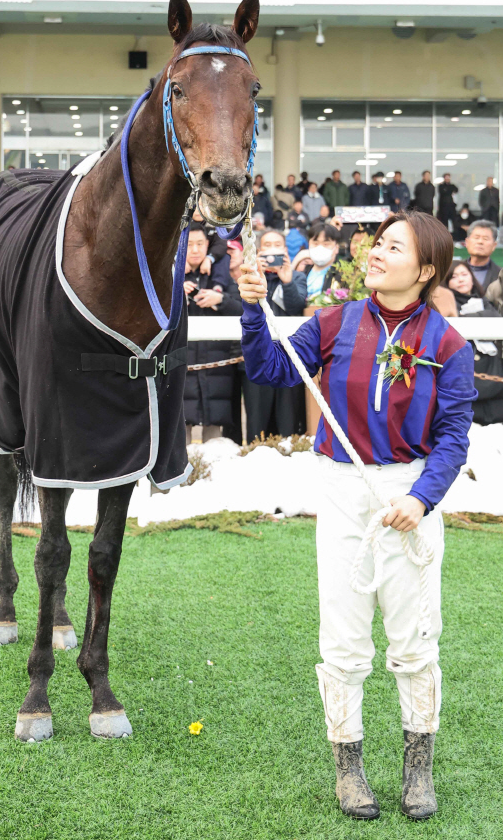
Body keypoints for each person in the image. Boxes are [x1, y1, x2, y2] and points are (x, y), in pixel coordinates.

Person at [238, 211, 474, 821]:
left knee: (415, 641)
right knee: (343, 642)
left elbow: (453, 437)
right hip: (342, 491)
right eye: (378, 241)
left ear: (424, 270)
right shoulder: (336, 321)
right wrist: (251, 308)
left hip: (409, 498)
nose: (375, 253)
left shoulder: (447, 344)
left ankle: (417, 769)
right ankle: (349, 770)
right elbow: (271, 369)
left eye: (394, 247)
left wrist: (420, 499)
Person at [243, 229, 308, 441]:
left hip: (288, 357)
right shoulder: (249, 277)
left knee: (288, 417)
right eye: (267, 246)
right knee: (257, 420)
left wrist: (287, 281)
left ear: (285, 250)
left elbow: (296, 306)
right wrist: (256, 275)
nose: (272, 250)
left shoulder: (297, 277)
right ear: (259, 251)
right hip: (259, 357)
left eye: (277, 245)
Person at [183, 226, 242, 443]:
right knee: (181, 428)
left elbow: (244, 310)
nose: (195, 250)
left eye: (200, 244)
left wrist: (221, 300)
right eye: (189, 245)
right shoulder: (170, 280)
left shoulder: (222, 279)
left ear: (208, 246)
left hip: (217, 364)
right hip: (183, 362)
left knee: (215, 432)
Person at [444, 261, 503, 425]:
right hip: (467, 377)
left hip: (494, 371)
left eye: (464, 274)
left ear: (472, 278)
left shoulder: (485, 302)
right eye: (454, 277)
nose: (460, 280)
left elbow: (496, 319)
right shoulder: (446, 304)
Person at [292, 222, 341, 300]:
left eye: (326, 244)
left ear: (336, 248)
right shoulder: (303, 272)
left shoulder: (342, 275)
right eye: (315, 243)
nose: (320, 248)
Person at [463, 219, 499, 292]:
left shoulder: (500, 275)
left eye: (485, 239)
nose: (480, 242)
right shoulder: (452, 271)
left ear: (494, 246)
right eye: (476, 237)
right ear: (467, 242)